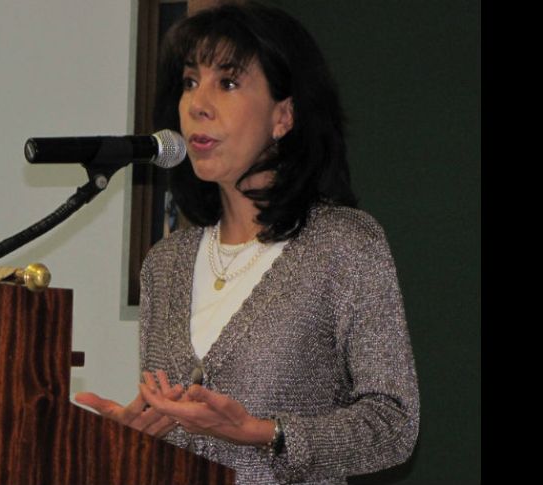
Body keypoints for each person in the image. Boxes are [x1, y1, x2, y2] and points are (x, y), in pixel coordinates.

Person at [75, 2, 419, 484]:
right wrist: (129, 442)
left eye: (228, 82)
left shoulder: (343, 244)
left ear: (284, 116)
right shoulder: (165, 264)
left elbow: (394, 425)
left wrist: (264, 433)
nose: (197, 103)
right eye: (191, 81)